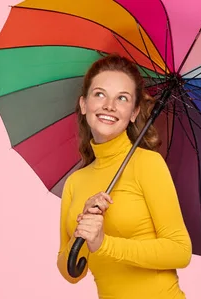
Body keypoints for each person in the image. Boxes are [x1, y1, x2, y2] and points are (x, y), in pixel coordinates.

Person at [56, 54, 192, 299]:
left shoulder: (148, 164)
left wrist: (103, 244)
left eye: (122, 98)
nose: (109, 105)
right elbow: (71, 273)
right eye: (100, 94)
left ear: (133, 112)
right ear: (84, 104)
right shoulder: (75, 182)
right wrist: (82, 232)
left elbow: (180, 250)